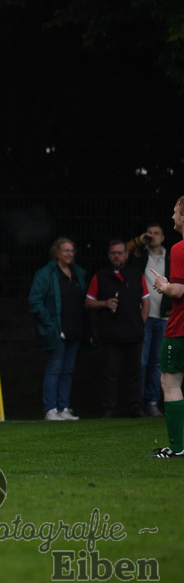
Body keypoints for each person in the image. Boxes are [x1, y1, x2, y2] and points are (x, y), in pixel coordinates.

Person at [86, 239, 149, 418]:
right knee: (109, 374)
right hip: (110, 335)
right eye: (113, 253)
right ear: (108, 255)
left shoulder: (137, 275)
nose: (116, 256)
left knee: (135, 373)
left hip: (133, 334)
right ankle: (109, 409)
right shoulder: (100, 276)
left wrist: (140, 324)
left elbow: (146, 302)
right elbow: (88, 302)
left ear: (126, 255)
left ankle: (136, 408)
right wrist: (104, 303)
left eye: (120, 252)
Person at [28, 238, 88, 421]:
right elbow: (35, 302)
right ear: (56, 253)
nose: (69, 254)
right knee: (54, 369)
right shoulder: (45, 273)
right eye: (65, 250)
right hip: (56, 331)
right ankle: (51, 409)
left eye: (72, 250)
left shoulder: (78, 273)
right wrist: (51, 323)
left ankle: (63, 408)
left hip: (74, 329)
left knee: (68, 370)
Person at [149, 195, 184, 457]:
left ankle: (177, 447)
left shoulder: (179, 249)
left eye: (175, 212)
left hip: (180, 328)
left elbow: (179, 290)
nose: (172, 216)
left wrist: (163, 286)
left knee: (170, 383)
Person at [129, 222, 173, 417]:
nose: (153, 236)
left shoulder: (171, 258)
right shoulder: (140, 255)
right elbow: (124, 249)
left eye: (156, 233)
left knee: (157, 363)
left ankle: (152, 402)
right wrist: (141, 239)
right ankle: (137, 404)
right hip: (145, 317)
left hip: (164, 317)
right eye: (150, 233)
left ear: (163, 237)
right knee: (142, 362)